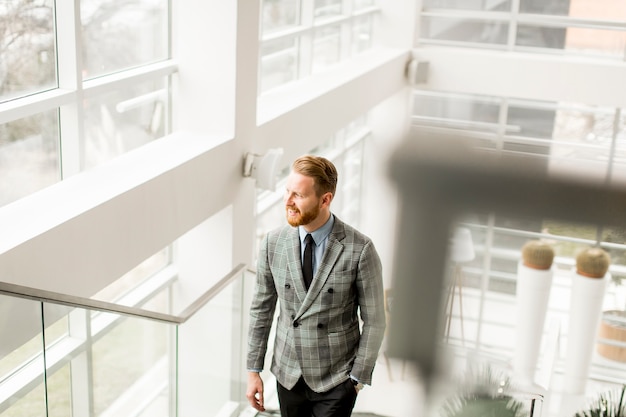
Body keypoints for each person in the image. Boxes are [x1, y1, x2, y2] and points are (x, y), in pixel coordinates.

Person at [246, 155, 386, 417]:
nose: (287, 201)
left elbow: (375, 320)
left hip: (336, 378)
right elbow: (261, 311)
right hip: (287, 373)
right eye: (287, 191)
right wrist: (253, 371)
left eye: (298, 195)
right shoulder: (272, 243)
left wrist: (356, 380)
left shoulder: (360, 250)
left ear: (325, 199)